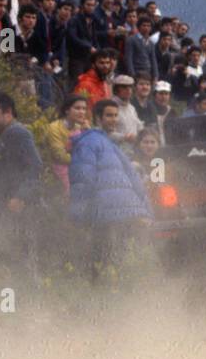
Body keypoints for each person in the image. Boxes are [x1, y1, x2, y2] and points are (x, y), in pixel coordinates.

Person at [68, 98, 152, 271]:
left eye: (115, 115)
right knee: (112, 261)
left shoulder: (108, 144)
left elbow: (132, 178)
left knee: (111, 261)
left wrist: (146, 210)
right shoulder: (91, 142)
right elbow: (83, 180)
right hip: (108, 213)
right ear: (98, 118)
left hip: (116, 213)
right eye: (109, 115)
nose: (114, 119)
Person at [0, 92, 44, 219]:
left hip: (22, 210)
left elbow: (35, 166)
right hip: (6, 205)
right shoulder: (5, 134)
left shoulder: (17, 132)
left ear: (8, 112)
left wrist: (20, 197)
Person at [40, 93, 90, 193]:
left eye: (84, 109)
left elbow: (90, 150)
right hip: (57, 172)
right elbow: (60, 156)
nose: (82, 112)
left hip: (78, 167)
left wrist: (88, 132)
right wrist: (84, 160)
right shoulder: (54, 128)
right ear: (67, 110)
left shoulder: (80, 127)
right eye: (77, 108)